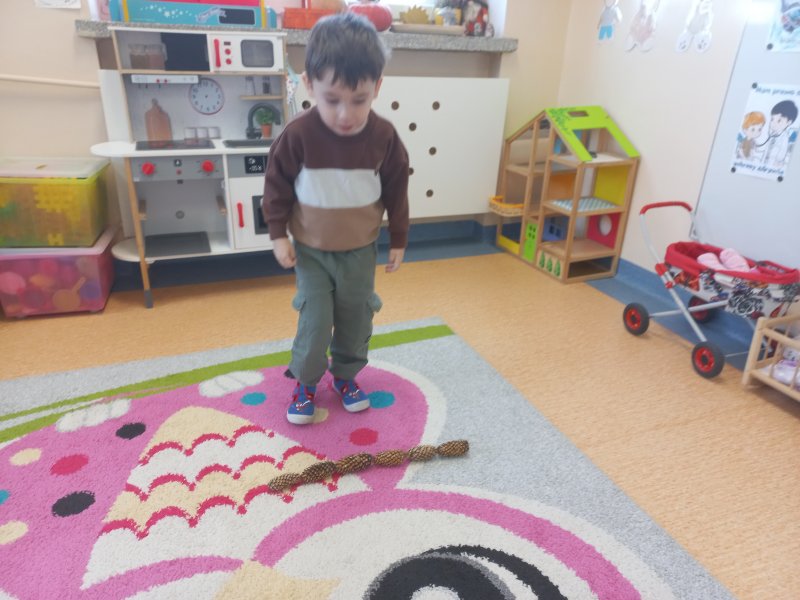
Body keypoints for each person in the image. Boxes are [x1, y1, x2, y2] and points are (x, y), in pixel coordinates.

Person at [262, 12, 410, 425]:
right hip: (311, 252)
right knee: (315, 320)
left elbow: (397, 191)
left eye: (359, 100)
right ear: (310, 85)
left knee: (356, 316)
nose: (346, 114)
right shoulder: (298, 135)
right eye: (333, 100)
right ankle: (306, 381)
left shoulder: (384, 138)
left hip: (360, 251)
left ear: (377, 87)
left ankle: (345, 375)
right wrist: (278, 235)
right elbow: (276, 186)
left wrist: (399, 239)